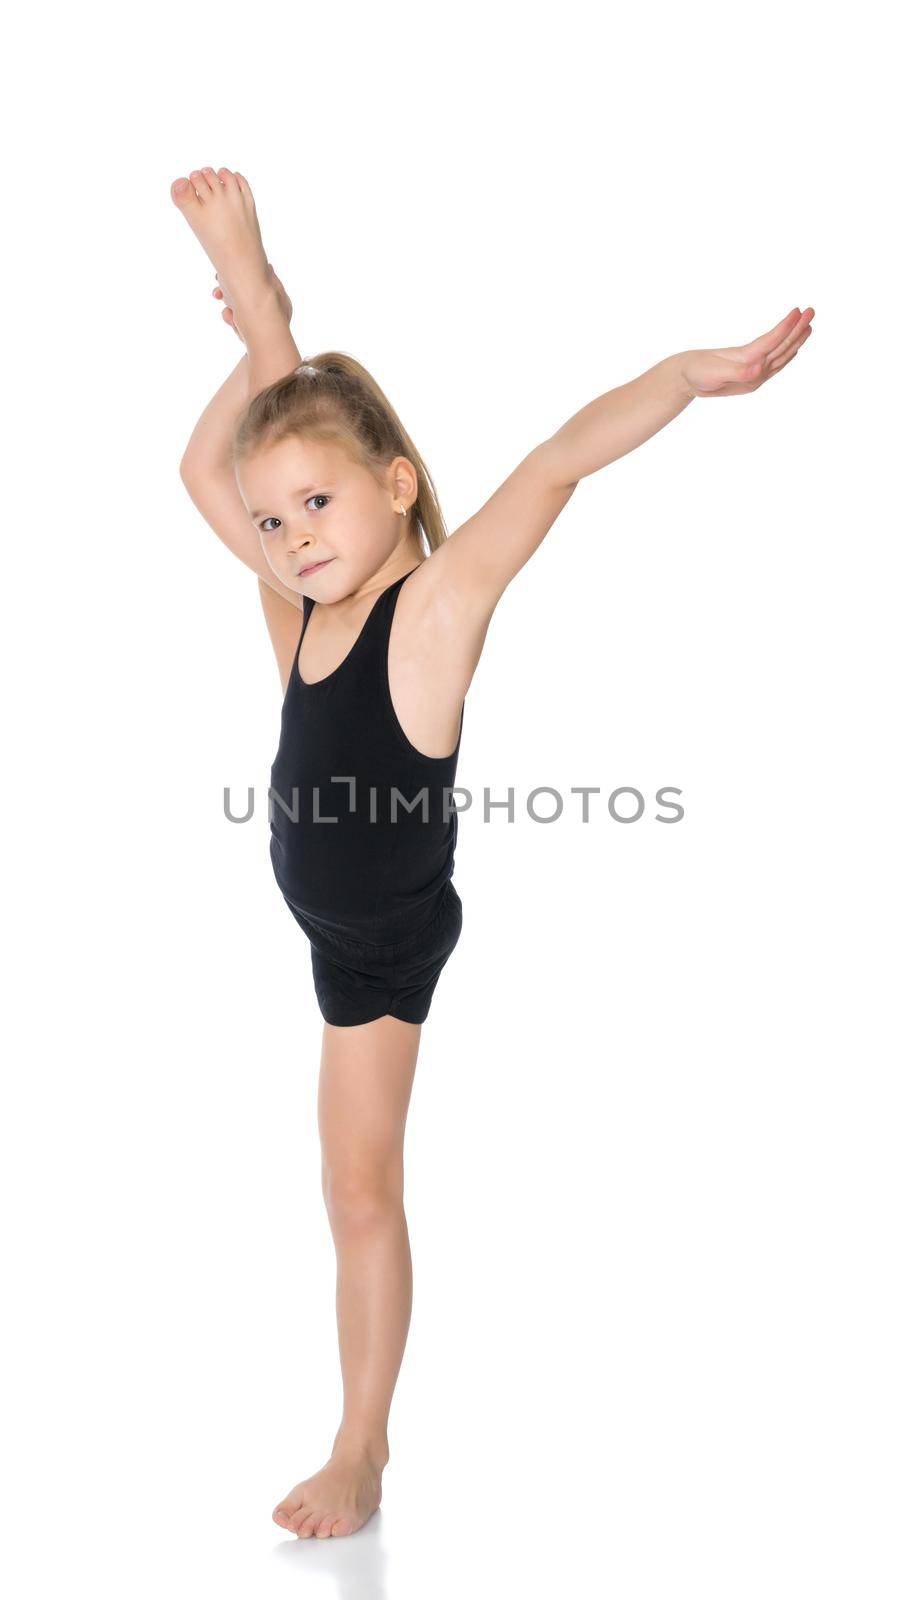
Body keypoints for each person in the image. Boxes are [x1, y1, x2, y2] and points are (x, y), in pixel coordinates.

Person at [172, 164, 814, 1539]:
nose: (291, 540)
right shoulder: (296, 613)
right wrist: (260, 334)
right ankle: (273, 316)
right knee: (340, 1189)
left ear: (399, 488)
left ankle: (360, 1447)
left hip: (389, 938)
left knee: (360, 1191)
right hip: (327, 931)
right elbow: (207, 475)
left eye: (320, 512)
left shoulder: (433, 610)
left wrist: (683, 376)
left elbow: (556, 462)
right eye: (275, 523)